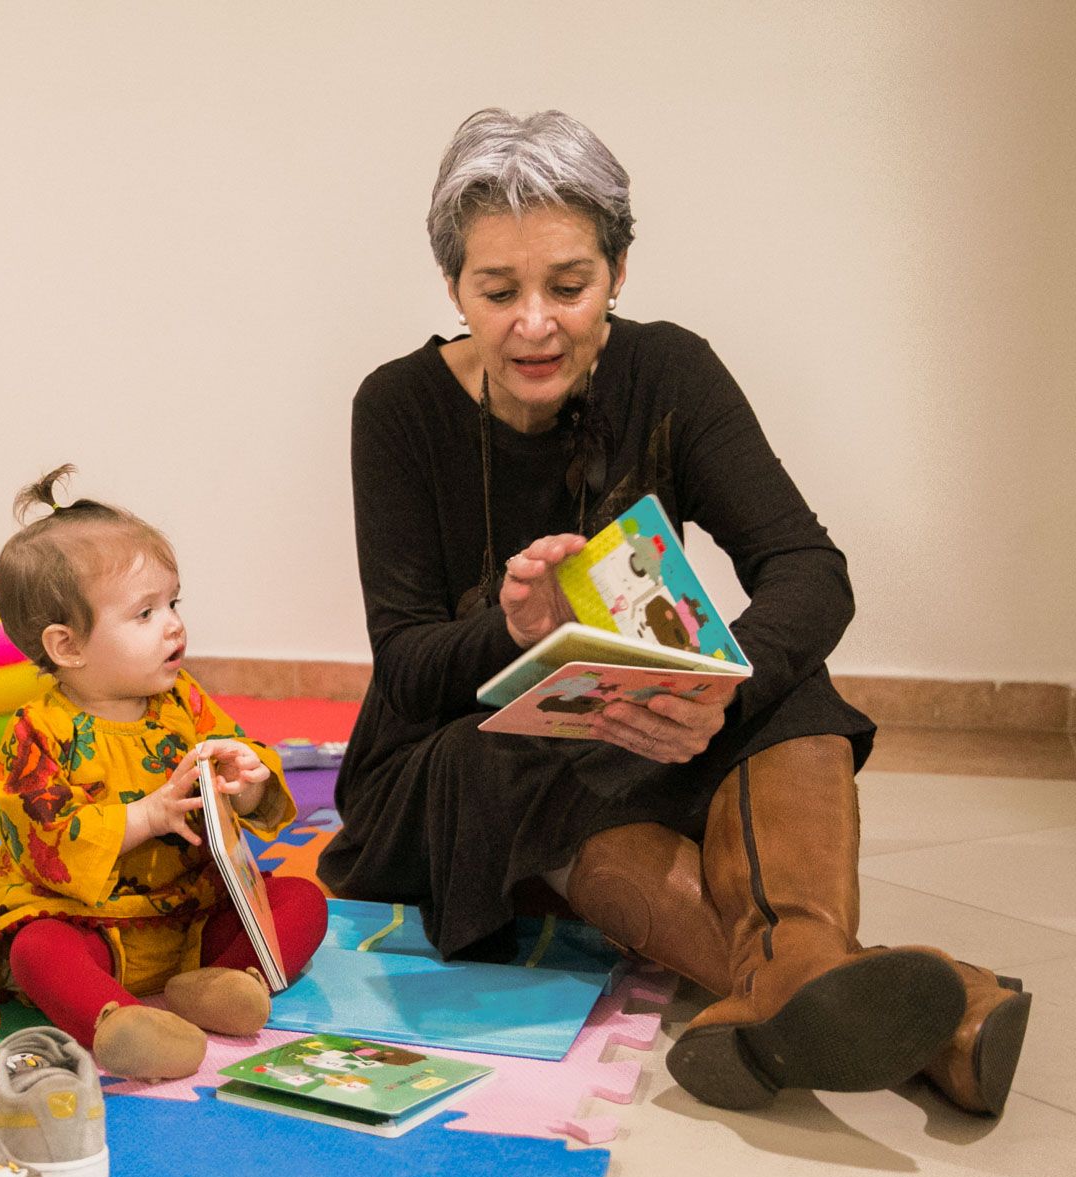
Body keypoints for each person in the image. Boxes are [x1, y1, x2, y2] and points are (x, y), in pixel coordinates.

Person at [321, 109, 1029, 1116]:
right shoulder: (396, 407)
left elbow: (807, 567)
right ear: (452, 288)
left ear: (617, 270)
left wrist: (721, 694)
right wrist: (513, 630)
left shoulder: (670, 371)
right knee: (541, 754)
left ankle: (792, 969)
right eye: (498, 290)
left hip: (641, 731)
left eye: (569, 286)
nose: (536, 321)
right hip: (459, 768)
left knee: (789, 682)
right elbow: (406, 665)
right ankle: (947, 1015)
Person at [0, 467, 328, 1081]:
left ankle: (224, 985)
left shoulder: (185, 702)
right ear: (68, 646)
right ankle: (119, 1020)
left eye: (173, 603)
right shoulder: (38, 732)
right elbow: (41, 837)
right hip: (88, 924)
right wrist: (145, 815)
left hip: (188, 919)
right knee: (36, 950)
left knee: (302, 898)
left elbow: (246, 763)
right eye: (145, 613)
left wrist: (249, 776)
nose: (173, 623)